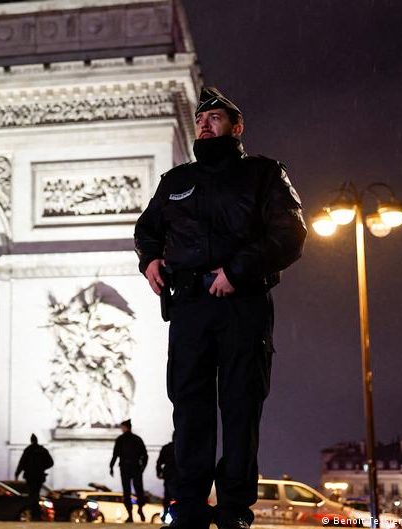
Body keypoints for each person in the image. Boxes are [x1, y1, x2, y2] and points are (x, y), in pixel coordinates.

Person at [134, 87, 306, 529]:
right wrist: (149, 258)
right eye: (201, 118)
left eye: (215, 116)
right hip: (190, 307)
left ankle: (233, 510)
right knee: (188, 408)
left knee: (240, 408)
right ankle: (188, 507)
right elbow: (147, 229)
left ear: (237, 125)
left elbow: (290, 234)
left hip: (241, 305)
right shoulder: (174, 181)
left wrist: (238, 270)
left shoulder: (265, 174)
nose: (205, 123)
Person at [109, 419, 148, 522]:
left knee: (127, 492)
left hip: (125, 468)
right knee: (139, 490)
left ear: (125, 427)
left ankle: (130, 515)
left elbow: (115, 455)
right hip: (136, 468)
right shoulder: (137, 439)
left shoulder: (120, 439)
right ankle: (140, 509)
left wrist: (111, 467)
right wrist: (142, 467)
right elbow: (145, 455)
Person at [14, 433, 54, 520]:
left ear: (31, 440)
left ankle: (34, 514)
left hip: (30, 476)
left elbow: (21, 463)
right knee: (36, 495)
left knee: (32, 495)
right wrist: (42, 468)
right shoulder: (42, 450)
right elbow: (51, 462)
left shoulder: (28, 450)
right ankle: (37, 514)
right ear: (37, 440)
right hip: (39, 476)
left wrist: (17, 474)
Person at [156, 439, 177, 522]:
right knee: (180, 496)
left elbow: (159, 462)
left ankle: (165, 513)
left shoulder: (166, 447)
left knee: (167, 496)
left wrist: (159, 472)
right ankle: (175, 516)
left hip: (168, 474)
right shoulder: (184, 446)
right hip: (179, 475)